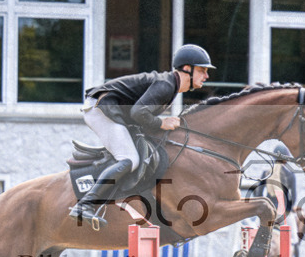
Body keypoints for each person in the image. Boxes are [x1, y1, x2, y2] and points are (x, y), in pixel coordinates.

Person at [69, 44, 215, 225]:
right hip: (100, 108)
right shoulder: (166, 85)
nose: (207, 76)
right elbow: (138, 113)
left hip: (106, 107)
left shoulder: (170, 85)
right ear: (187, 69)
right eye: (202, 70)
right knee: (130, 159)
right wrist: (162, 122)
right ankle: (85, 205)